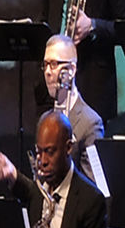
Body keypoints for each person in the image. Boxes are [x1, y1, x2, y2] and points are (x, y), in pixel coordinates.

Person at [36, 34, 105, 178]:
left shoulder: (90, 123)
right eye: (45, 65)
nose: (48, 72)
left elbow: (96, 190)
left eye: (54, 64)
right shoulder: (45, 120)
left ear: (72, 69)